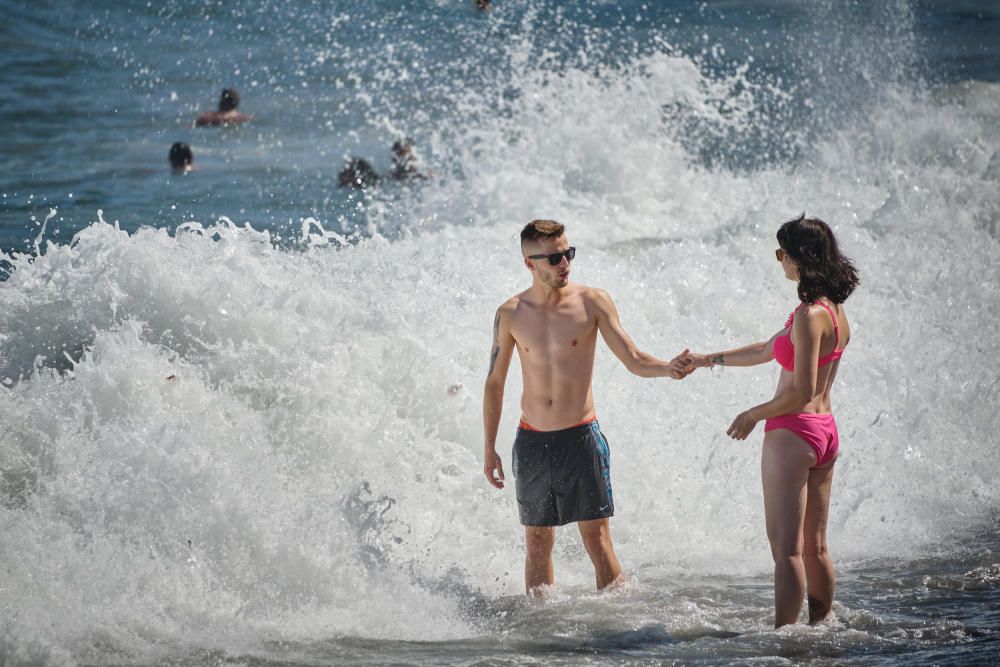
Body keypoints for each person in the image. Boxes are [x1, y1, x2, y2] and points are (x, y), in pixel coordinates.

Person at [483, 219, 690, 596]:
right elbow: (494, 382)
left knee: (597, 538)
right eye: (554, 258)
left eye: (568, 253)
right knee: (537, 542)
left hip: (581, 437)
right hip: (531, 441)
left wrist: (667, 368)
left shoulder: (592, 301)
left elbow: (634, 358)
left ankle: (620, 633)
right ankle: (543, 636)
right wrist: (488, 447)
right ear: (530, 263)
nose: (565, 263)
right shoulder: (511, 313)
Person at [681, 214, 860, 627]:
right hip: (825, 432)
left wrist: (752, 414)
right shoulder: (830, 310)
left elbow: (801, 391)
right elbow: (768, 348)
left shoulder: (808, 316)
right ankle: (821, 629)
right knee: (814, 547)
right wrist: (707, 360)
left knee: (787, 550)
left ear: (799, 257)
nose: (779, 259)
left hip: (793, 432)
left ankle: (785, 640)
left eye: (782, 252)